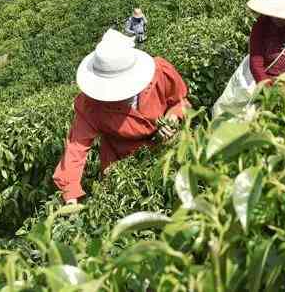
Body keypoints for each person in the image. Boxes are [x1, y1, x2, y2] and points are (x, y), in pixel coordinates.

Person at [53, 29, 189, 203]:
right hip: (121, 162)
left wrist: (172, 118)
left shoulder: (160, 72)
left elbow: (181, 102)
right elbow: (76, 147)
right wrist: (70, 192)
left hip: (169, 145)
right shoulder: (91, 104)